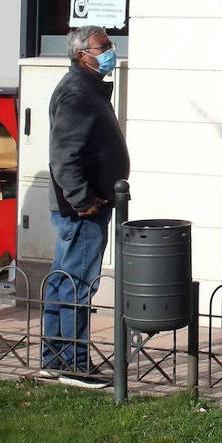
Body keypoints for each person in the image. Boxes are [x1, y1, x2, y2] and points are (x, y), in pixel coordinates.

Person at [41, 26, 129, 389]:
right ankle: (73, 364)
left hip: (86, 204)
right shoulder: (77, 92)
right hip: (82, 210)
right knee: (75, 284)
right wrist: (83, 199)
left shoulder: (87, 88)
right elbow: (64, 156)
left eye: (109, 43)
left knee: (64, 280)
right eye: (102, 46)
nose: (110, 50)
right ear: (82, 55)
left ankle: (53, 358)